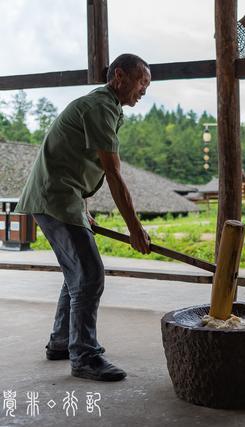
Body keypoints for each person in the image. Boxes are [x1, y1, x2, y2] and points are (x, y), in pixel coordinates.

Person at [15, 53, 152, 382]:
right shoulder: (100, 107)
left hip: (63, 196)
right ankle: (85, 356)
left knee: (76, 275)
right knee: (90, 275)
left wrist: (85, 210)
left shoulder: (107, 107)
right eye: (141, 82)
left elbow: (71, 159)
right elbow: (114, 175)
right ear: (119, 76)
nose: (144, 90)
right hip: (54, 198)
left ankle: (62, 342)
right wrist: (135, 229)